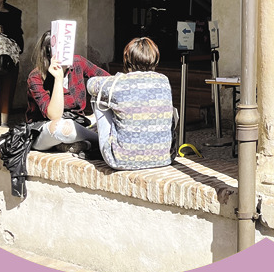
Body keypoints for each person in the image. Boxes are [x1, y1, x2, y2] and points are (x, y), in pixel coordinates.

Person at [87, 37, 179, 170]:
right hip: (165, 158)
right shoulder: (164, 80)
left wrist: (115, 78)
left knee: (98, 97)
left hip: (120, 160)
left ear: (127, 59)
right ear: (155, 59)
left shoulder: (117, 83)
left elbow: (90, 85)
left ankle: (92, 136)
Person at [25, 31, 109, 153]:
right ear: (49, 53)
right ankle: (98, 140)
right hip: (45, 129)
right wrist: (58, 79)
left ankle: (76, 143)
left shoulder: (78, 62)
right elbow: (54, 116)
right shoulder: (36, 77)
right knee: (62, 128)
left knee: (101, 116)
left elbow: (108, 80)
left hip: (78, 122)